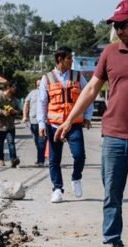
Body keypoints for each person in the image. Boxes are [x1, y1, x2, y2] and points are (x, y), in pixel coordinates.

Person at [54, 0, 128, 247]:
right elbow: (91, 89)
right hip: (113, 136)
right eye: (116, 26)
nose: (120, 31)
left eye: (124, 25)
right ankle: (112, 245)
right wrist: (70, 120)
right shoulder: (110, 53)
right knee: (111, 194)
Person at [38, 47, 93, 203]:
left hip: (73, 124)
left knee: (79, 155)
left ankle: (76, 178)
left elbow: (88, 94)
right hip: (54, 125)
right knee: (54, 159)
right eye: (69, 58)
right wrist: (41, 124)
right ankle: (57, 189)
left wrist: (88, 115)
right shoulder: (47, 78)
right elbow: (42, 103)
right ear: (60, 59)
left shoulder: (77, 76)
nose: (71, 61)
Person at [0, 83, 22, 167]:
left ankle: (13, 160)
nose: (15, 88)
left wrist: (15, 112)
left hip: (10, 125)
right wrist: (2, 112)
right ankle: (1, 159)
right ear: (8, 88)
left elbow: (19, 110)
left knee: (11, 142)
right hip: (0, 125)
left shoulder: (14, 99)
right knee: (0, 143)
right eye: (13, 87)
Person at [22, 79, 47, 166]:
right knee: (36, 141)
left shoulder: (48, 92)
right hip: (33, 121)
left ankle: (41, 160)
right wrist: (25, 116)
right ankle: (41, 157)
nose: (39, 86)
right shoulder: (32, 93)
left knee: (41, 141)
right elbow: (26, 103)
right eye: (38, 85)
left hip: (44, 121)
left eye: (41, 84)